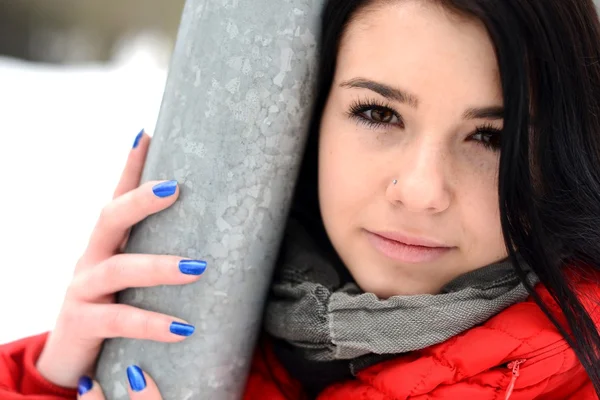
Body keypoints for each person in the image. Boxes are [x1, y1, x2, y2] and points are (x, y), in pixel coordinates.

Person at [2, 0, 600, 398]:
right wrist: (54, 379)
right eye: (378, 113)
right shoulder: (222, 328)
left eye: (490, 137)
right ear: (309, 120)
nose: (421, 191)